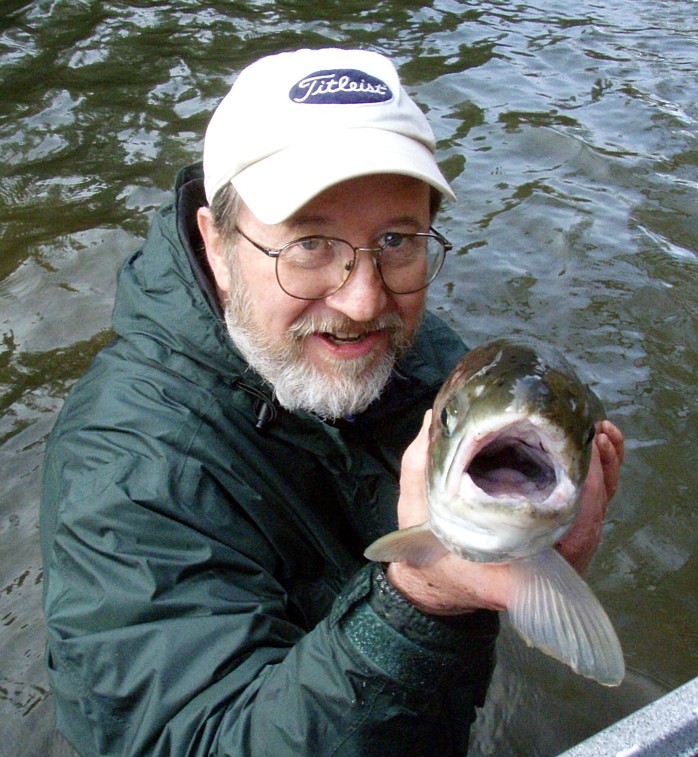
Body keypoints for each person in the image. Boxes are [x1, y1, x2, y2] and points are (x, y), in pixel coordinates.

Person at [40, 48, 624, 756]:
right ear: (217, 244)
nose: (363, 299)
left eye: (396, 240)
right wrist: (423, 601)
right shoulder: (125, 468)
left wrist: (523, 574)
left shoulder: (420, 354)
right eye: (311, 243)